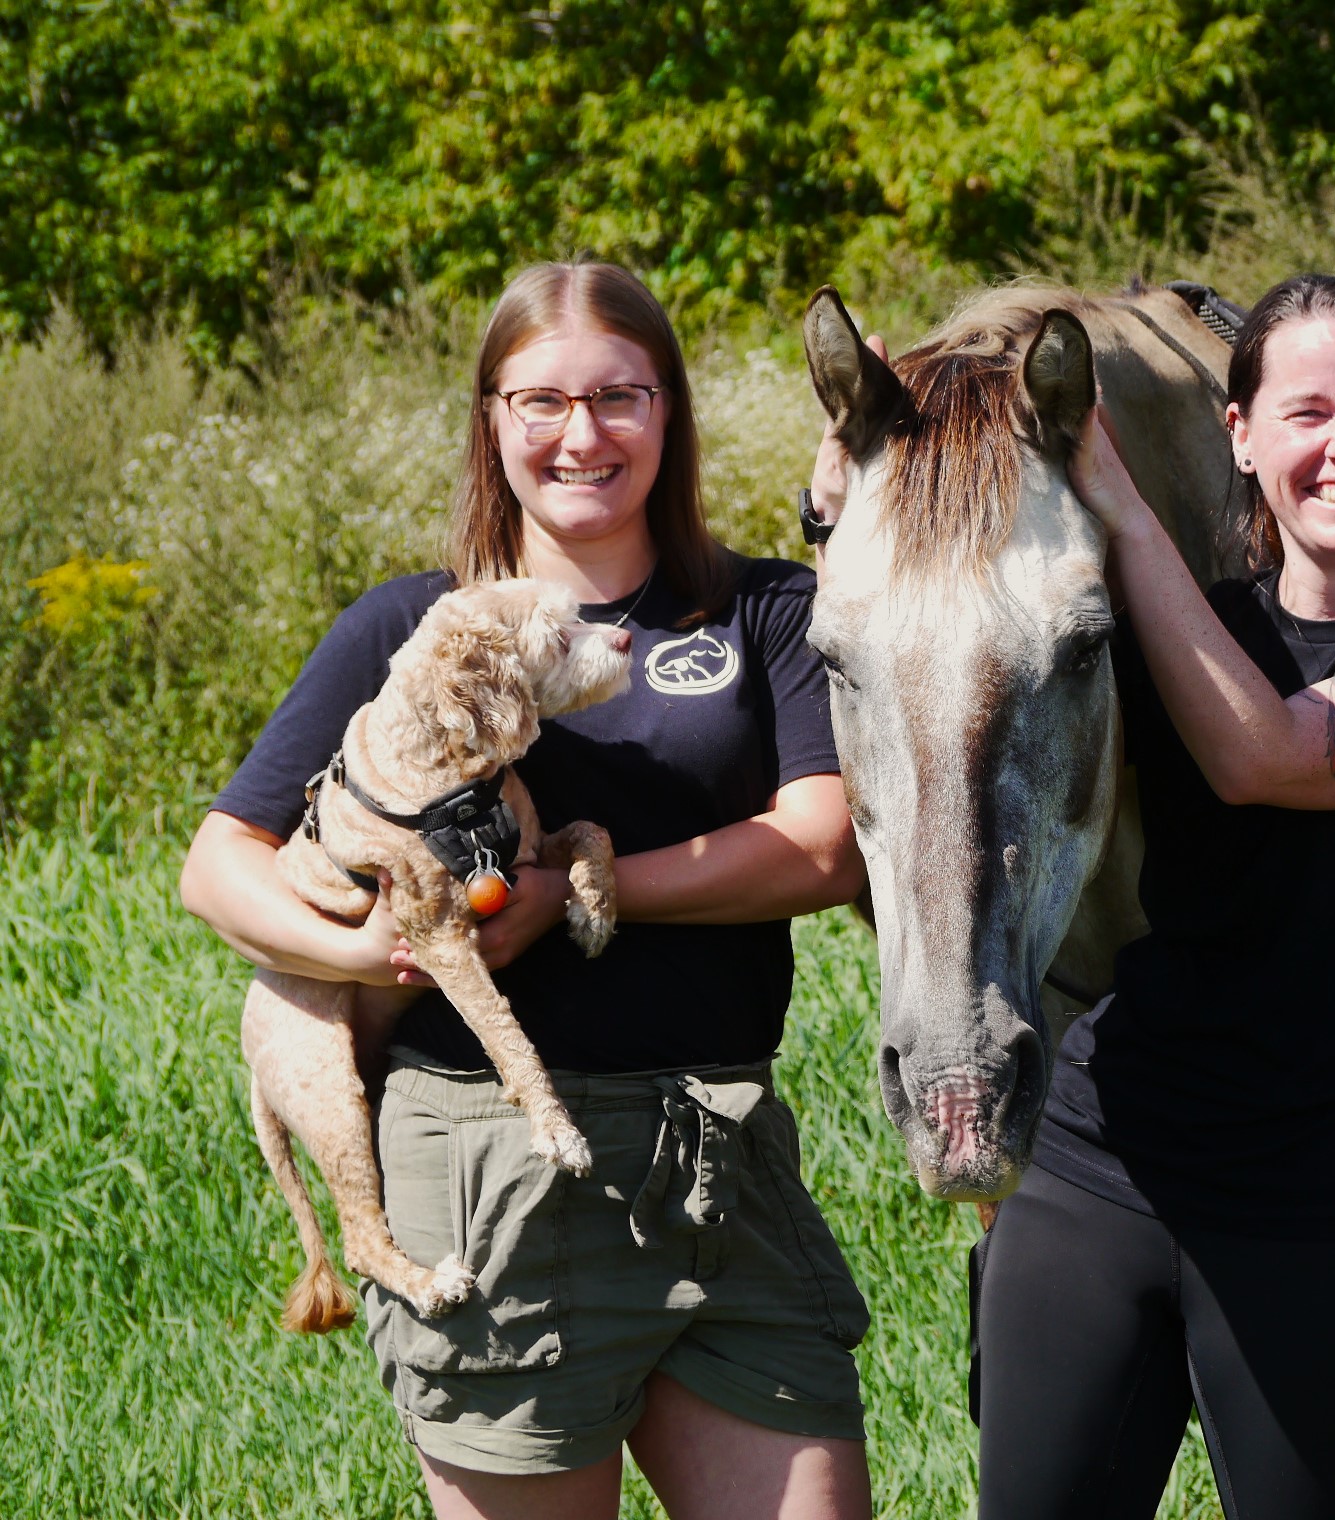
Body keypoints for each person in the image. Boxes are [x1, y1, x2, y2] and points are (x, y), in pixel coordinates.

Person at [181, 260, 873, 1520]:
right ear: (491, 417)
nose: (581, 433)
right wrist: (378, 948)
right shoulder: (419, 626)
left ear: (669, 411)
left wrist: (577, 896)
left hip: (715, 1152)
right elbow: (218, 863)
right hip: (486, 1160)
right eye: (540, 398)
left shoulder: (766, 605)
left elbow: (823, 846)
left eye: (619, 394)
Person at [954, 273, 1335, 1518]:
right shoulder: (1194, 628)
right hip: (1096, 1176)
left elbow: (1269, 754)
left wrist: (1116, 504)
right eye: (1305, 413)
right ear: (1240, 435)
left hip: (1325, 1215)